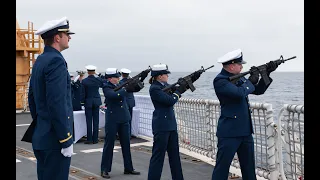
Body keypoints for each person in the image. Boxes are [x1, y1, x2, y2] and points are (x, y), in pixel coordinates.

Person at [211, 49, 278, 180]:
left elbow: (258, 91)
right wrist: (250, 80)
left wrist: (266, 73)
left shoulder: (240, 78)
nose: (242, 67)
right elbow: (239, 93)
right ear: (231, 66)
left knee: (249, 170)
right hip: (229, 133)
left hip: (245, 131)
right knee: (222, 169)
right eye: (239, 64)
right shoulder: (220, 81)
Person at [25, 16, 75, 180]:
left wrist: (42, 123)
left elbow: (31, 97)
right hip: (55, 141)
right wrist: (65, 139)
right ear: (57, 37)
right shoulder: (56, 61)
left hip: (42, 136)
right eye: (66, 34)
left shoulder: (40, 60)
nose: (70, 37)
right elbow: (57, 103)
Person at [147, 63, 200, 180]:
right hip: (161, 126)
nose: (167, 76)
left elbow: (181, 89)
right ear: (159, 76)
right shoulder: (154, 88)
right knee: (158, 157)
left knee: (175, 156)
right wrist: (178, 91)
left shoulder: (165, 85)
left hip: (170, 125)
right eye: (165, 74)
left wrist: (193, 78)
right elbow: (170, 100)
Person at [100, 68, 142, 179]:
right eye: (116, 77)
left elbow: (135, 89)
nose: (118, 79)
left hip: (124, 118)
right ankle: (105, 169)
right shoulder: (106, 87)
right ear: (109, 78)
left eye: (118, 77)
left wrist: (139, 81)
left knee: (126, 144)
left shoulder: (121, 85)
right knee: (109, 144)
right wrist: (125, 89)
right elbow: (113, 96)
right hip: (113, 118)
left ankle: (128, 167)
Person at [81, 65, 104, 144]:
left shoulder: (84, 81)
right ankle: (95, 139)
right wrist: (99, 74)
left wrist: (82, 102)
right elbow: (104, 81)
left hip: (88, 102)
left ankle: (89, 139)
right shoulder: (98, 80)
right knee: (96, 121)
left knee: (89, 121)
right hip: (96, 101)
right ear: (94, 72)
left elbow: (83, 93)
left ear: (87, 72)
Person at [119, 68, 136, 138]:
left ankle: (124, 135)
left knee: (123, 119)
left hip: (124, 102)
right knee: (130, 119)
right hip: (131, 101)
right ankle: (129, 134)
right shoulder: (132, 82)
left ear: (122, 74)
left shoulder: (120, 82)